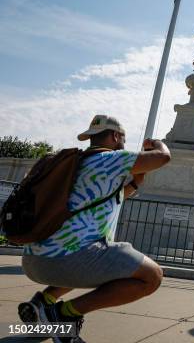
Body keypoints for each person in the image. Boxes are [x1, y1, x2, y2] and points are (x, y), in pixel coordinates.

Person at [17, 115, 171, 343]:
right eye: (123, 139)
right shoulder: (109, 158)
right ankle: (62, 316)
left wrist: (137, 179)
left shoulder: (76, 164)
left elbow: (119, 195)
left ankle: (43, 302)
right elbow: (163, 157)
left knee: (97, 260)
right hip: (65, 261)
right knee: (152, 276)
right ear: (116, 136)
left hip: (34, 261)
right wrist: (155, 144)